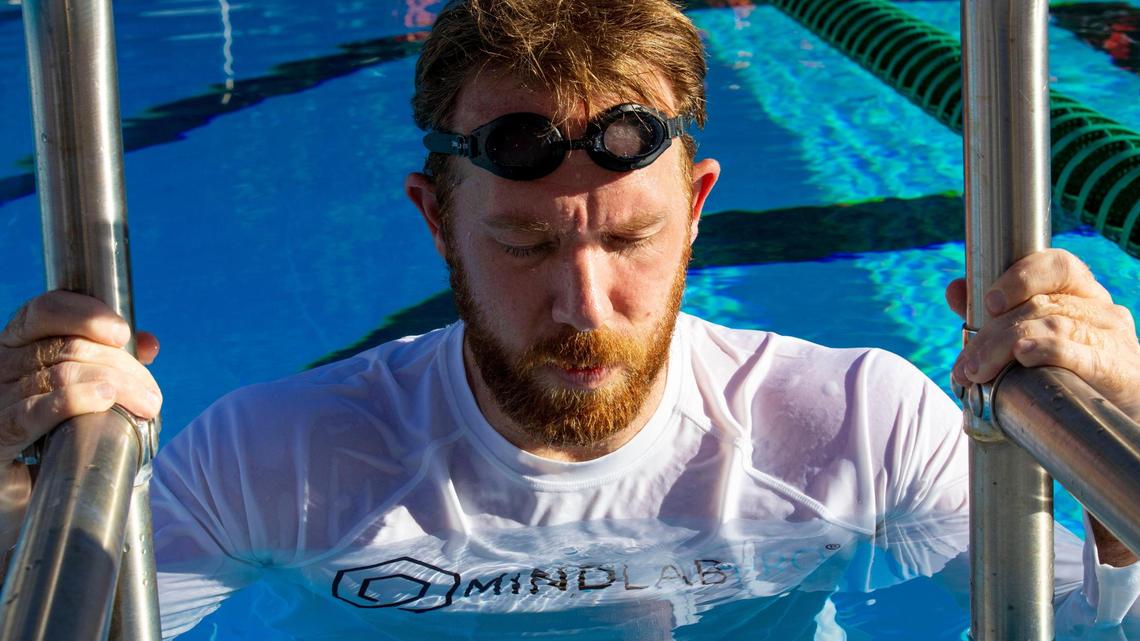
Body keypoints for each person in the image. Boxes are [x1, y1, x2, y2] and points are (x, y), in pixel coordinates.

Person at [2, 0, 1140, 638]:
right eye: (525, 244)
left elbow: (1088, 620)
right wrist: (11, 492)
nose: (584, 307)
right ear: (436, 220)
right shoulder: (281, 455)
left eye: (630, 239)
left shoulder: (851, 421)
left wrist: (1121, 446)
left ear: (698, 209)